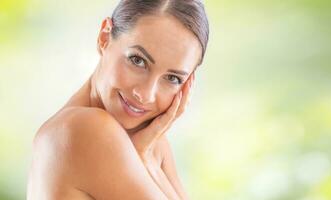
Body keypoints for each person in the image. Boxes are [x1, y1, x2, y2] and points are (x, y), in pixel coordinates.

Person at [27, 0, 209, 199]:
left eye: (173, 78)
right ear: (104, 37)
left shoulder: (149, 142)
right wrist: (145, 160)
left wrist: (146, 158)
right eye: (137, 60)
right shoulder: (85, 129)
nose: (145, 95)